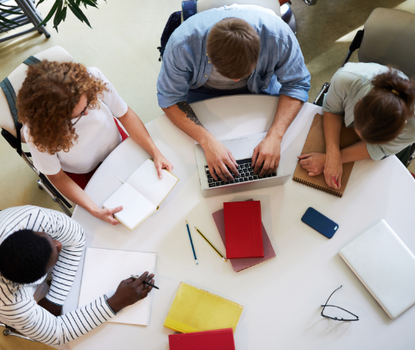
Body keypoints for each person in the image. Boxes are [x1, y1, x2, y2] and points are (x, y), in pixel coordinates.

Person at [157, 4, 310, 181]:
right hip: (201, 90)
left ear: (259, 52)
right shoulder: (181, 46)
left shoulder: (279, 37)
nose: (236, 81)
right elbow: (170, 99)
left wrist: (276, 136)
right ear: (208, 53)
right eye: (226, 74)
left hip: (260, 88)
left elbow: (297, 83)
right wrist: (207, 142)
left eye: (242, 74)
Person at [17, 60, 173, 225]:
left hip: (116, 143)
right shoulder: (36, 133)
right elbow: (57, 177)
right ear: (55, 120)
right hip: (81, 172)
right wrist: (95, 210)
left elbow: (124, 114)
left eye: (88, 102)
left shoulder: (91, 77)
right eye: (78, 115)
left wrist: (155, 152)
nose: (87, 113)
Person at [0, 205, 154, 349]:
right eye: (55, 254)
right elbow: (57, 333)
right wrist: (115, 303)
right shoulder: (10, 303)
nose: (58, 245)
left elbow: (75, 237)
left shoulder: (27, 219)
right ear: (34, 280)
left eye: (47, 237)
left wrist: (54, 300)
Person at [298, 62, 415, 189]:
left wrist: (332, 159)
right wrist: (332, 156)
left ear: (402, 126)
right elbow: (332, 110)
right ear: (358, 103)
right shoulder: (346, 78)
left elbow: (379, 149)